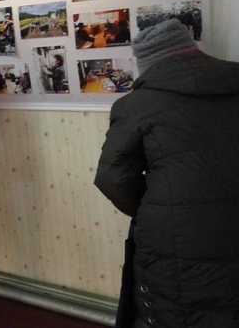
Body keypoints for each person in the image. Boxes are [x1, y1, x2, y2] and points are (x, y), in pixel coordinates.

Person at [95, 18, 239, 328]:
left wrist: (158, 208)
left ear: (146, 64)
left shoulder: (135, 105)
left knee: (178, 310)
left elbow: (111, 177)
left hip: (175, 237)